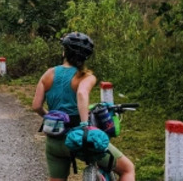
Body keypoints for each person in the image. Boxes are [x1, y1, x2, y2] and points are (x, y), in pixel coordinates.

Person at [31, 32, 135, 181]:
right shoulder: (86, 76)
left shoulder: (48, 74)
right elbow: (81, 93)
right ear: (85, 57)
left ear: (64, 52)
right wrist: (85, 125)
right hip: (79, 140)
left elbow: (36, 106)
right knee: (127, 169)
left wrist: (51, 118)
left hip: (54, 141)